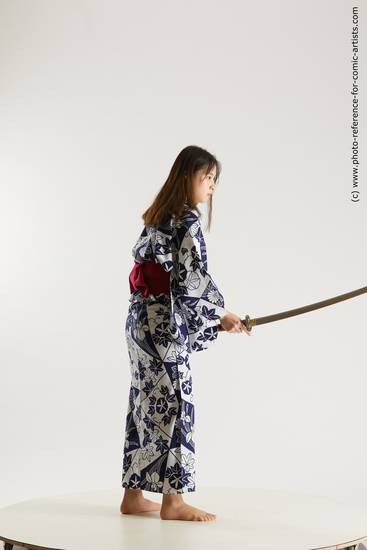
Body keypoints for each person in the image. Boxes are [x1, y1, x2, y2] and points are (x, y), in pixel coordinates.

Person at [120, 145, 251, 521]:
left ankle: (133, 495)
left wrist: (215, 316)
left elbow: (175, 280)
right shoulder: (186, 220)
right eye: (206, 177)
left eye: (214, 179)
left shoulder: (157, 217)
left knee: (145, 399)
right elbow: (192, 283)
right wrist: (222, 315)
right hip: (162, 323)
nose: (211, 186)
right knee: (173, 400)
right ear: (186, 177)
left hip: (140, 321)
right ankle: (173, 502)